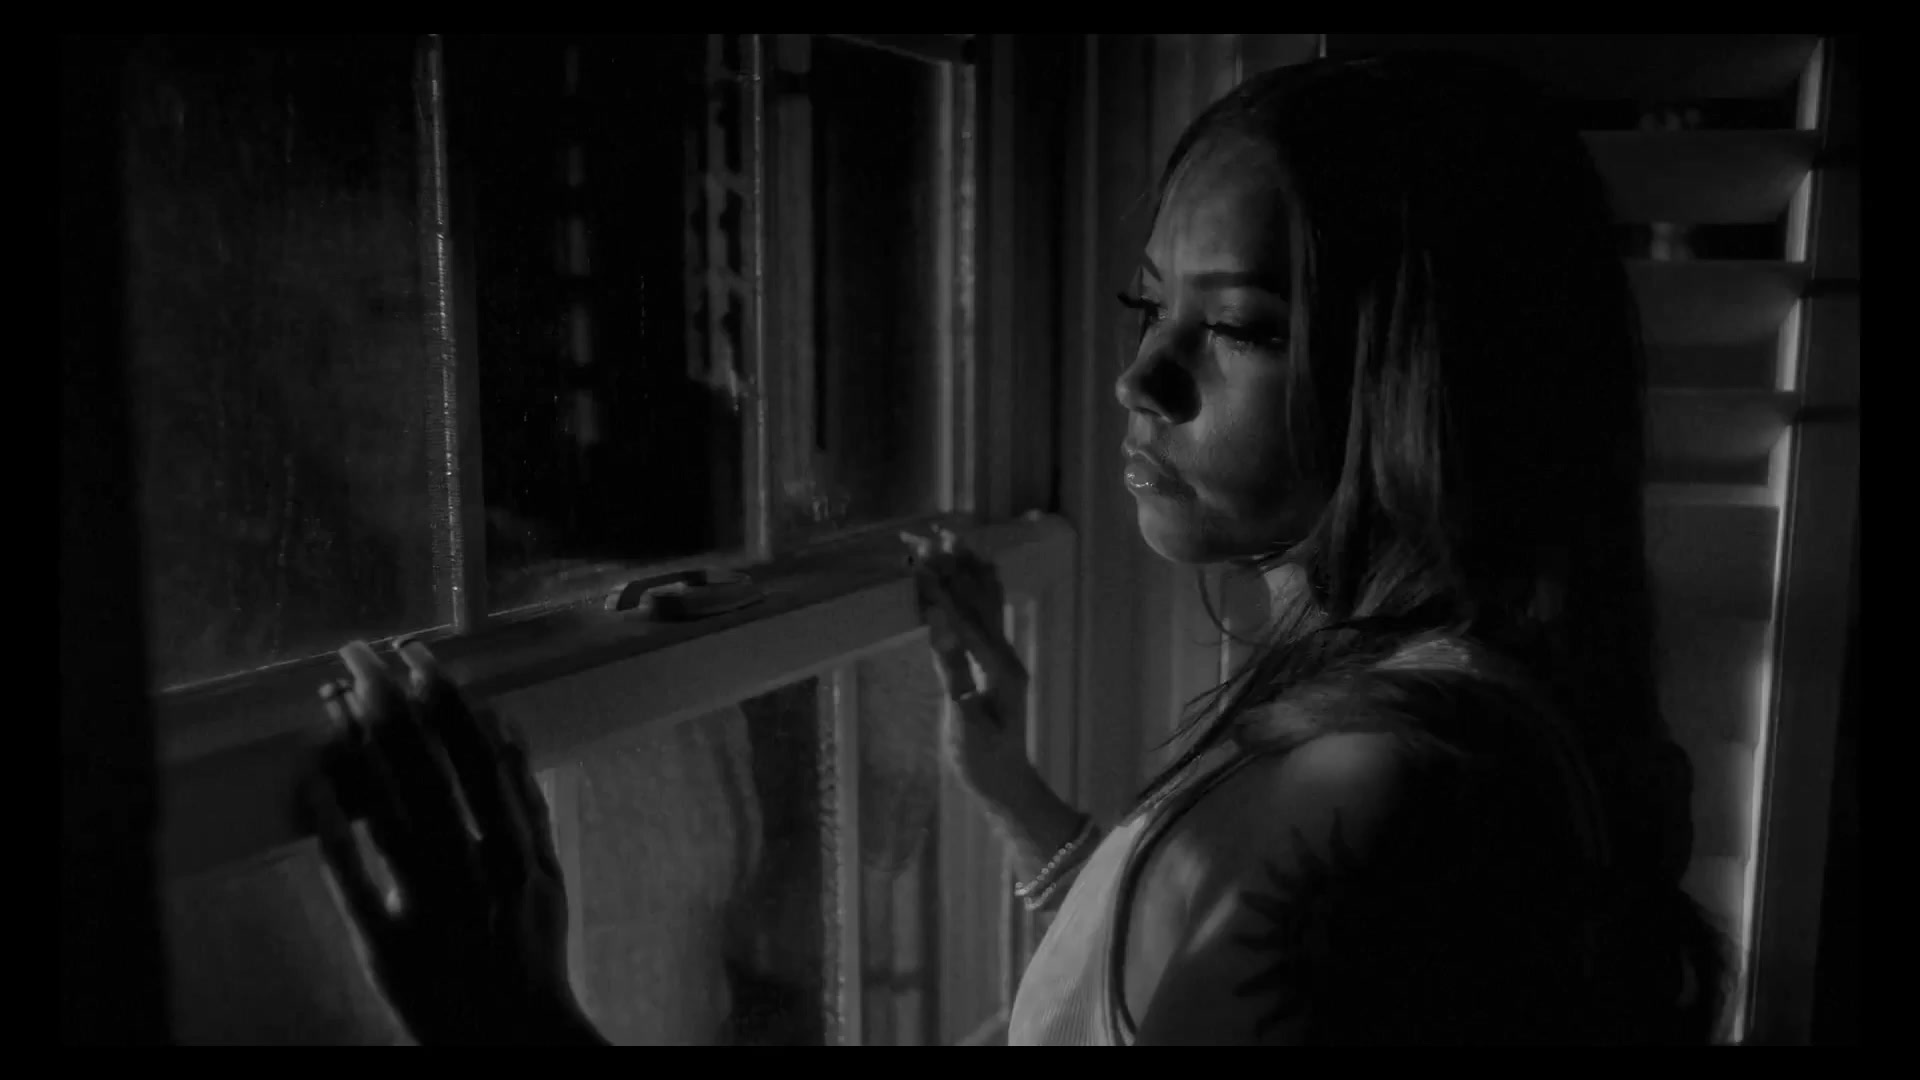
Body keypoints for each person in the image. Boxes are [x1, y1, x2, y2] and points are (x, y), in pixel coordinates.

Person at [305, 51, 1728, 1045]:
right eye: (1148, 304)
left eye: (1238, 328)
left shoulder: (1365, 794)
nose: (1141, 376)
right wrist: (1030, 814)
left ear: (1432, 381)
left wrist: (513, 1019)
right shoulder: (1441, 707)